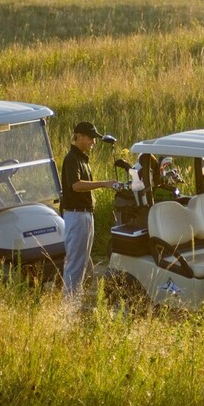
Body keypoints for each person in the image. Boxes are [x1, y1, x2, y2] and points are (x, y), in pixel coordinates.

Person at [60, 121, 118, 298]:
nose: (93, 142)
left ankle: (74, 302)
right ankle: (68, 308)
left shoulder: (82, 159)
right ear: (79, 137)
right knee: (75, 264)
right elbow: (76, 186)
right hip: (76, 215)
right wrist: (104, 184)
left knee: (82, 262)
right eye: (91, 138)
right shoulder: (72, 159)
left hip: (84, 215)